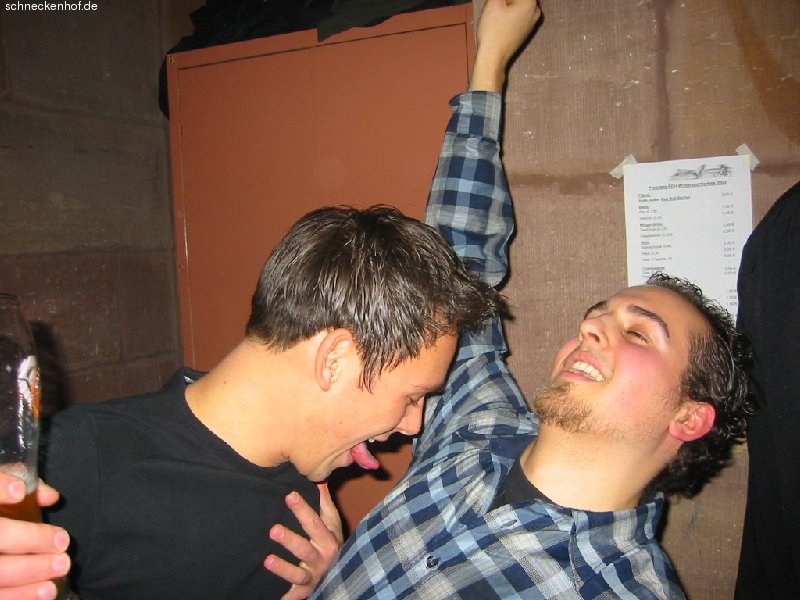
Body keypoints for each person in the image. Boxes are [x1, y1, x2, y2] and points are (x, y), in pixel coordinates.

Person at [307, 0, 753, 597]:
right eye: (595, 317)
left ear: (689, 417)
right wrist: (490, 62)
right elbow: (452, 274)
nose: (590, 329)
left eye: (638, 333)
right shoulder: (479, 426)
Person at [1, 143, 501, 600]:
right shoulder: (72, 463)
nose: (414, 424)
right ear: (334, 359)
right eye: (413, 396)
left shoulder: (311, 502)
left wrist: (330, 586)